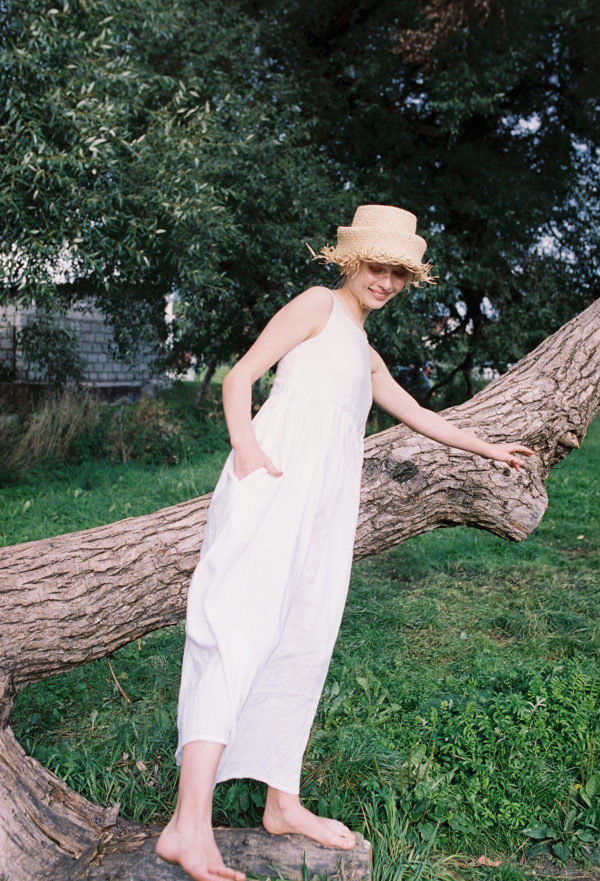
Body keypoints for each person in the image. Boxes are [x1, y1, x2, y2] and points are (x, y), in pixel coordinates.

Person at [156, 205, 533, 881]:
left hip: (324, 510)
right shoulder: (314, 306)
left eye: (397, 273)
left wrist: (488, 446)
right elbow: (241, 377)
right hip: (271, 486)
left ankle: (283, 801)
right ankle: (189, 823)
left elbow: (421, 416)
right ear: (349, 258)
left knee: (304, 636)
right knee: (237, 630)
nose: (384, 281)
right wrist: (245, 449)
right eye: (376, 265)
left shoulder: (365, 353)